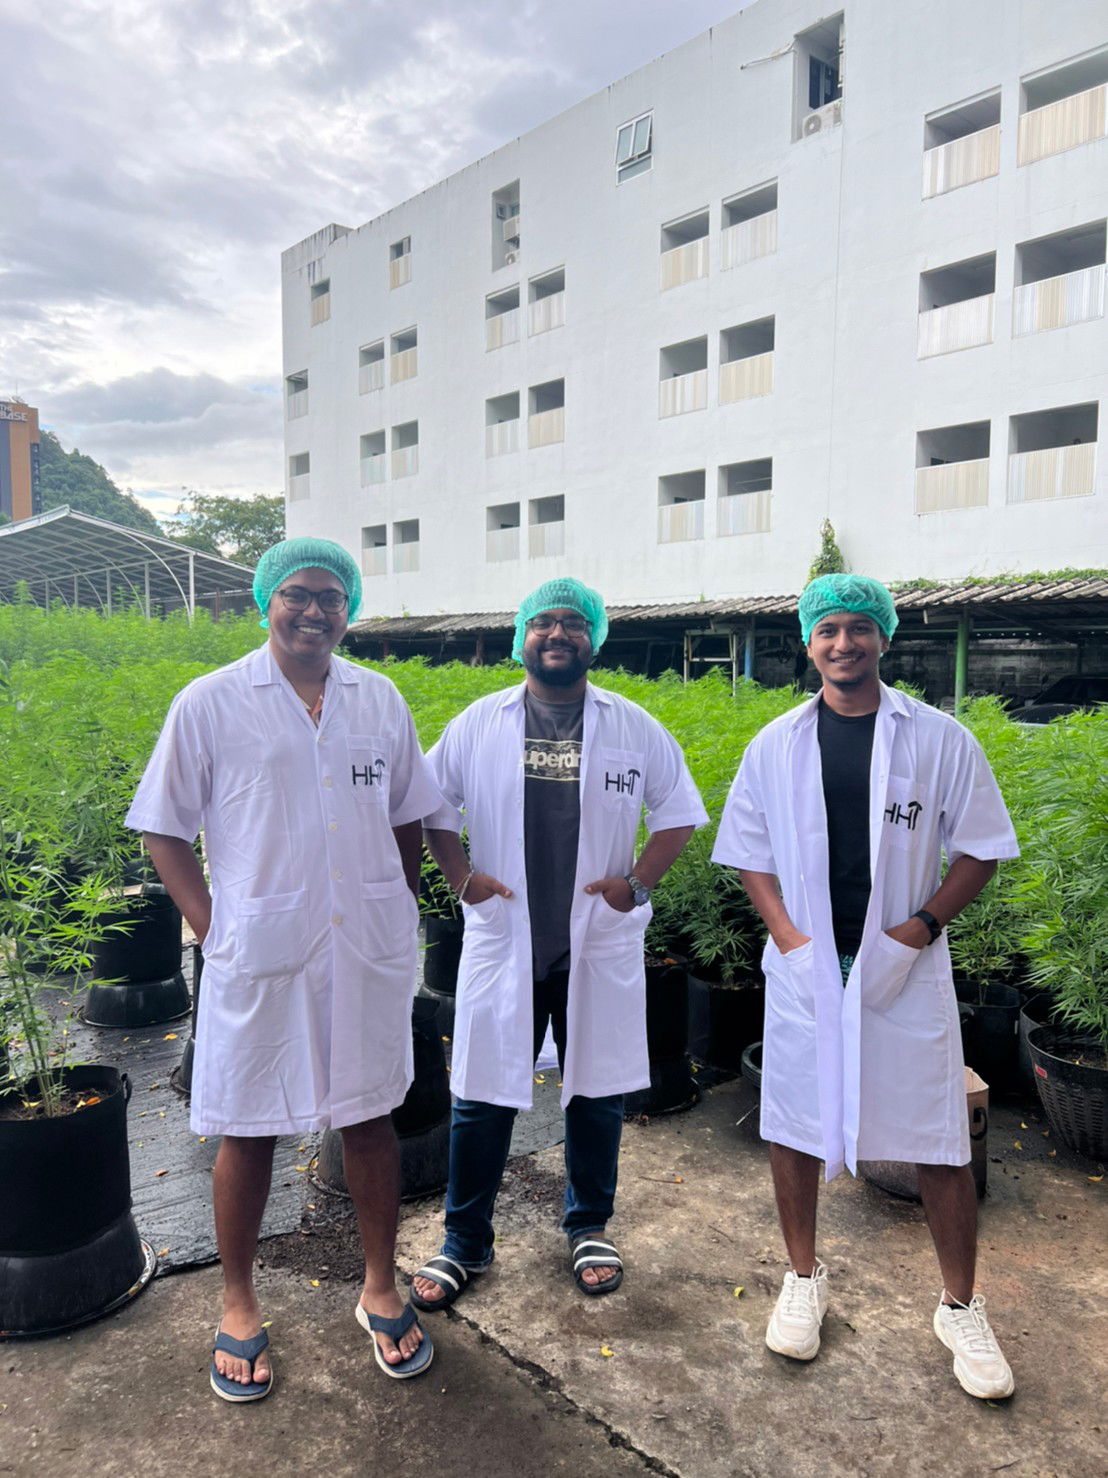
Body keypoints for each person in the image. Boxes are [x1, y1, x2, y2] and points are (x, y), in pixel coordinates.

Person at [127, 537, 442, 1400]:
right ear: (267, 601)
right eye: (297, 594)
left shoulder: (379, 699)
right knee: (249, 1124)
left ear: (350, 610)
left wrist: (398, 900)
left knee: (370, 1117)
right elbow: (162, 827)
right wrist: (212, 928)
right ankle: (237, 1301)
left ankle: (379, 1288)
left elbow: (409, 811)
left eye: (331, 597)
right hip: (260, 950)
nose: (313, 610)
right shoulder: (212, 702)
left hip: (365, 946)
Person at [712, 573, 1019, 1401]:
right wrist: (787, 936)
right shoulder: (776, 743)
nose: (843, 643)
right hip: (808, 964)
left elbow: (981, 847)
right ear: (808, 644)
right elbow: (749, 852)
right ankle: (802, 1278)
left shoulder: (939, 739)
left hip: (903, 965)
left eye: (858, 627)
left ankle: (960, 1306)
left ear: (884, 636)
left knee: (938, 1135)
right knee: (792, 1122)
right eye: (828, 630)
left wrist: (920, 927)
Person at [410, 578, 707, 1309]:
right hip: (504, 937)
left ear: (592, 638)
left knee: (597, 1091)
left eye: (574, 622)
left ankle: (588, 1225)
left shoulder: (632, 725)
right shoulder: (479, 723)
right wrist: (461, 878)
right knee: (480, 1095)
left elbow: (678, 812)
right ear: (523, 637)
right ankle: (464, 1240)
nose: (558, 633)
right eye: (543, 621)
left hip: (594, 942)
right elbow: (431, 805)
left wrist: (636, 884)